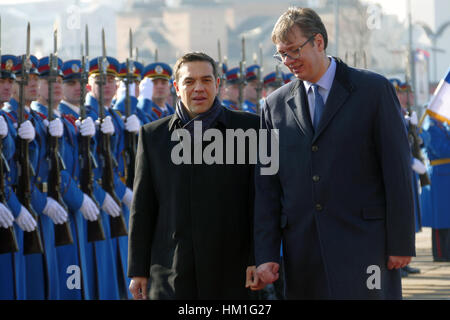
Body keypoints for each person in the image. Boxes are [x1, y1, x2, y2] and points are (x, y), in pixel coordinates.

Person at [254, 7, 415, 299]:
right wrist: (266, 253)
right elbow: (267, 187)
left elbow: (397, 171)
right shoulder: (274, 106)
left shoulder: (373, 91)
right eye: (281, 55)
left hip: (365, 246)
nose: (288, 61)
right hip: (303, 254)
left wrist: (401, 243)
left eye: (293, 51)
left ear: (318, 42)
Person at [128, 52, 260, 300]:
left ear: (218, 85)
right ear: (176, 87)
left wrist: (258, 257)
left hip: (233, 270)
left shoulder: (249, 129)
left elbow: (261, 201)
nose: (198, 88)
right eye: (189, 82)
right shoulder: (153, 136)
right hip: (171, 271)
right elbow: (143, 208)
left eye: (206, 80)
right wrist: (138, 270)